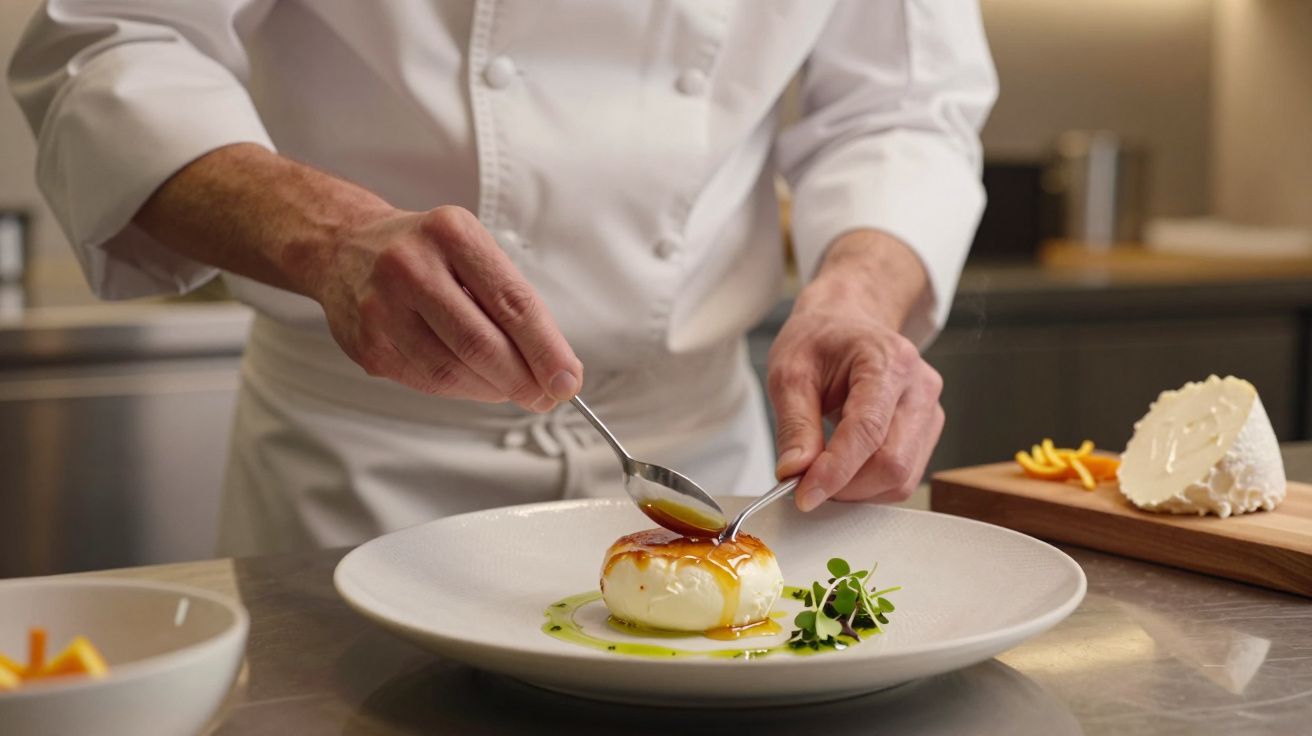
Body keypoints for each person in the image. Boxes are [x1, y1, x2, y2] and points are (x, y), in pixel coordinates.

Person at [8, 1, 996, 556]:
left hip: (709, 458)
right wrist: (323, 233)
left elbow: (902, 109)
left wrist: (857, 296)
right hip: (360, 472)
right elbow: (110, 42)